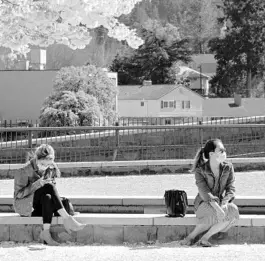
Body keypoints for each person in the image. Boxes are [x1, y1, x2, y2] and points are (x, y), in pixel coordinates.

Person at [13, 144, 86, 246]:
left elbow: (50, 193)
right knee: (49, 187)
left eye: (47, 165)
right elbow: (18, 195)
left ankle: (46, 233)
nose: (45, 167)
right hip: (27, 207)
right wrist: (37, 184)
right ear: (36, 159)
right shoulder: (23, 170)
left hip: (42, 207)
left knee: (48, 197)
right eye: (42, 164)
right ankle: (67, 218)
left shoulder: (50, 168)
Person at [180, 138, 239, 247]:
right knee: (215, 214)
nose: (224, 153)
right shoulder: (200, 170)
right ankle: (190, 237)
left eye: (224, 150)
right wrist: (218, 208)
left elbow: (231, 189)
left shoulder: (228, 167)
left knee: (233, 211)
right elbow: (204, 192)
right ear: (211, 154)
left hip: (220, 202)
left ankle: (205, 238)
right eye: (221, 150)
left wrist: (225, 203)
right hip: (202, 203)